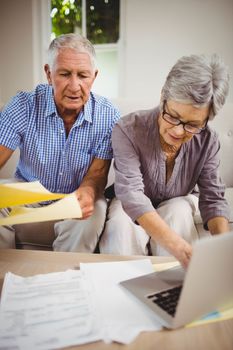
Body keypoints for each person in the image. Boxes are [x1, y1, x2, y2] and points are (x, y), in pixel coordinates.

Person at [99, 54, 230, 267]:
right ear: (163, 98)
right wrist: (177, 246)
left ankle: (176, 292)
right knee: (122, 225)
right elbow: (131, 193)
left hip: (178, 200)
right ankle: (119, 288)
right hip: (129, 202)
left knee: (178, 211)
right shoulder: (128, 129)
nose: (178, 131)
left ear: (207, 119)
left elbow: (213, 199)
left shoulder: (208, 141)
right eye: (173, 116)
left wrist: (225, 252)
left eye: (192, 125)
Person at [0, 33, 120, 251]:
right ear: (48, 73)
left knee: (96, 211)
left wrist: (89, 191)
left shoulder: (108, 115)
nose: (74, 86)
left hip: (76, 195)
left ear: (94, 76)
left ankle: (66, 279)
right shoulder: (23, 105)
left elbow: (97, 175)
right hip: (28, 192)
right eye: (65, 74)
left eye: (83, 75)